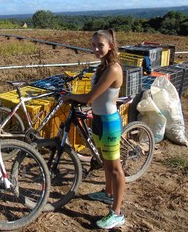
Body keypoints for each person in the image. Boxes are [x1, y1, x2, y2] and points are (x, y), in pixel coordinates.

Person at [63, 29, 126, 229]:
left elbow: (90, 97)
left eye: (100, 45)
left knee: (115, 168)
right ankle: (107, 193)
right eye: (93, 45)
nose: (96, 49)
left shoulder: (113, 69)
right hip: (98, 119)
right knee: (104, 162)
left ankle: (117, 213)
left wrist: (70, 96)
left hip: (108, 122)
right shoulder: (102, 66)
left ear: (111, 46)